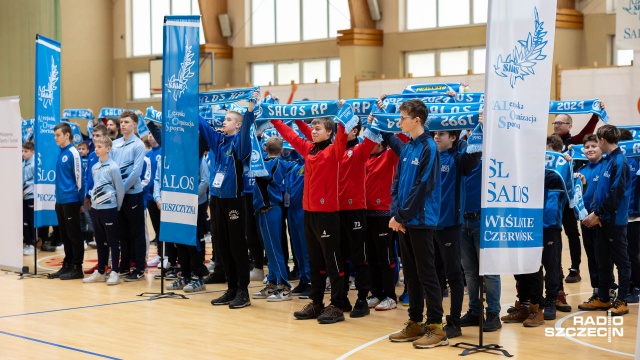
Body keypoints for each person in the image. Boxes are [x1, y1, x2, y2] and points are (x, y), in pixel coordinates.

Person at [271, 107, 349, 324]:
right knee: (315, 261)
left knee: (333, 261)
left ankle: (337, 305)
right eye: (312, 128)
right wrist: (274, 118)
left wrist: (341, 114)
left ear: (329, 132)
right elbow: (291, 135)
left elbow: (342, 132)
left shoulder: (334, 150)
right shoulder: (309, 150)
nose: (313, 131)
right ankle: (316, 302)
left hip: (328, 215)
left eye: (318, 128)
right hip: (310, 214)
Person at [383, 99, 445, 349]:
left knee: (427, 274)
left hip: (420, 221)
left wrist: (402, 216)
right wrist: (396, 213)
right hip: (404, 220)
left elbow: (424, 187)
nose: (400, 122)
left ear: (416, 120)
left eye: (403, 118)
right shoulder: (408, 147)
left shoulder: (429, 147)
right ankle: (415, 323)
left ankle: (436, 327)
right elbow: (397, 183)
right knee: (410, 275)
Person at [200, 92, 258, 309]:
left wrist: (249, 110)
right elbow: (204, 126)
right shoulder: (219, 141)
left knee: (236, 245)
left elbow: (245, 131)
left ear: (239, 124)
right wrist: (191, 106)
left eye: (229, 119)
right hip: (216, 199)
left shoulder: (240, 143)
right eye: (224, 119)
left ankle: (243, 290)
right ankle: (231, 287)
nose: (224, 122)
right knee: (222, 245)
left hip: (234, 200)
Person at [431, 126, 481, 339]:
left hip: (451, 226)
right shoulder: (429, 157)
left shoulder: (459, 159)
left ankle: (454, 321)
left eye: (441, 134)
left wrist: (479, 127)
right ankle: (434, 320)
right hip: (429, 225)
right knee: (433, 275)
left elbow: (473, 154)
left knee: (454, 275)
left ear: (453, 137)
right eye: (435, 133)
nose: (435, 136)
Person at [581, 124, 631, 316]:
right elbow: (600, 191)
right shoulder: (609, 160)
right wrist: (596, 213)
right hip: (602, 220)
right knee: (602, 261)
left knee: (622, 262)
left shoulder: (619, 161)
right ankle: (602, 298)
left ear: (602, 140)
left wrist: (598, 213)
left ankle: (622, 300)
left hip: (614, 221)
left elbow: (616, 193)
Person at [251, 137, 296, 301]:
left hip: (271, 209)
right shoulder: (282, 163)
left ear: (265, 149)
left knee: (275, 250)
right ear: (282, 150)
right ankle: (271, 283)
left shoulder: (269, 164)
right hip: (265, 210)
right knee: (269, 251)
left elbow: (266, 174)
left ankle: (284, 287)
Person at [165, 137, 211, 293]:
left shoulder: (200, 160)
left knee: (194, 241)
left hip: (196, 204)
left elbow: (205, 181)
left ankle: (197, 277)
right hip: (180, 206)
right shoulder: (178, 159)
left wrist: (190, 198)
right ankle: (184, 275)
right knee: (181, 241)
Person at [110, 111, 147, 281]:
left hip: (132, 195)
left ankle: (139, 268)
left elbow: (136, 172)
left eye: (126, 122)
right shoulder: (115, 144)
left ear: (134, 125)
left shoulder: (138, 145)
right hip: (118, 194)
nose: (123, 124)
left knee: (137, 233)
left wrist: (121, 189)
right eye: (121, 122)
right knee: (122, 233)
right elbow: (110, 168)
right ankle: (124, 266)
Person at [83, 135, 124, 285]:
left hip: (110, 208)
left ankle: (115, 272)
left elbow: (120, 189)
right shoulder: (95, 167)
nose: (96, 150)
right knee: (100, 241)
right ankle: (101, 271)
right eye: (95, 147)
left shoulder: (113, 167)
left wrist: (116, 208)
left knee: (113, 241)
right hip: (96, 209)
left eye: (99, 147)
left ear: (108, 148)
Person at [48, 122, 85, 280]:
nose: (55, 138)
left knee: (74, 234)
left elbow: (80, 179)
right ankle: (68, 264)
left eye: (58, 135)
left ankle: (77, 267)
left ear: (67, 135)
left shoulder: (73, 153)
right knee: (64, 235)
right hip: (60, 200)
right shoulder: (61, 152)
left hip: (71, 200)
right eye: (55, 135)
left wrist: (80, 202)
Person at [619, 129, 640, 304]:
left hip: (634, 215)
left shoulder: (637, 160)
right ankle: (627, 285)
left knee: (632, 253)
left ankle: (636, 286)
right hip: (618, 216)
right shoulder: (614, 160)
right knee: (624, 254)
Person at [77, 141, 95, 248]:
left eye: (83, 149)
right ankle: (83, 239)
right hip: (79, 192)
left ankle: (90, 237)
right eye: (79, 149)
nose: (81, 151)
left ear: (88, 150)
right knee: (81, 217)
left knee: (89, 217)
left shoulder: (90, 160)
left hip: (88, 192)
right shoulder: (76, 160)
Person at [22, 141, 35, 256]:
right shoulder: (23, 163)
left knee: (31, 221)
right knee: (24, 221)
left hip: (32, 196)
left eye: (26, 151)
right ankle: (28, 243)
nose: (23, 153)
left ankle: (33, 244)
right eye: (22, 151)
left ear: (32, 152)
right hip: (23, 196)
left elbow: (35, 181)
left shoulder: (34, 164)